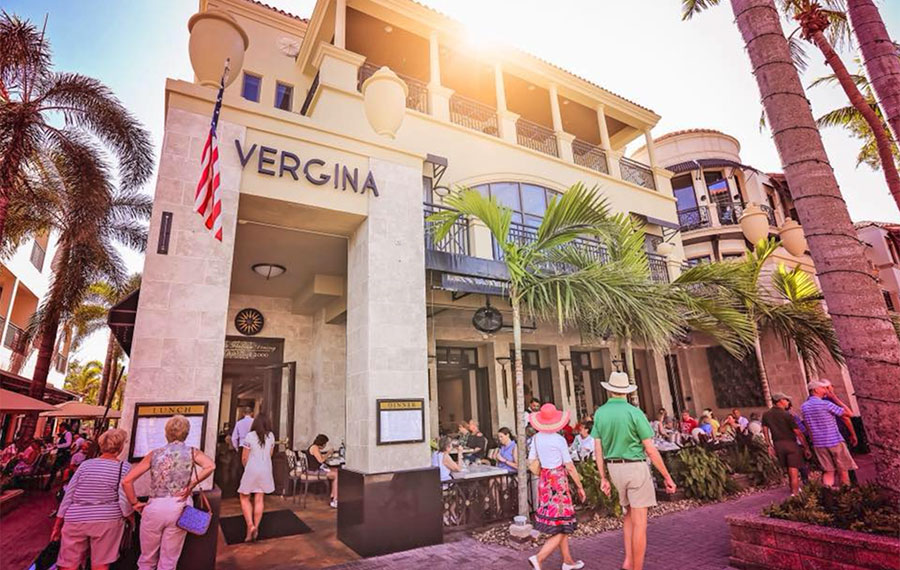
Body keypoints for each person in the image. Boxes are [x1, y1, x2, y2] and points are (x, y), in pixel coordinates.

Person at [592, 372, 677, 570]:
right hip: (635, 467)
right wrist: (666, 476)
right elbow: (650, 448)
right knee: (640, 523)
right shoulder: (635, 412)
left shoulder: (600, 413)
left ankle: (628, 561)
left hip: (614, 469)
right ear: (627, 392)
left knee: (628, 515)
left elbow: (598, 448)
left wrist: (603, 477)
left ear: (610, 390)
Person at [123, 415, 215, 570]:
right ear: (187, 433)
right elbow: (210, 466)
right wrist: (190, 485)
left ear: (166, 433)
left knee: (146, 558)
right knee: (169, 560)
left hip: (154, 506)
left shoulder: (154, 454)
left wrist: (135, 503)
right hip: (179, 507)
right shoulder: (192, 452)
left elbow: (126, 481)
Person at [51, 429, 132, 570]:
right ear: (120, 447)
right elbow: (124, 500)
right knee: (100, 563)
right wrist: (131, 517)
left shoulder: (85, 465)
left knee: (68, 563)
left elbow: (68, 495)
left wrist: (58, 524)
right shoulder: (124, 467)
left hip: (75, 518)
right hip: (107, 520)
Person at [527, 403, 586, 570]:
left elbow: (531, 460)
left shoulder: (536, 438)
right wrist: (580, 486)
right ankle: (539, 558)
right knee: (562, 525)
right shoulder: (559, 440)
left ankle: (568, 561)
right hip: (558, 480)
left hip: (544, 479)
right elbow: (569, 465)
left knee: (560, 523)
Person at [801, 379, 858, 487]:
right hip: (834, 440)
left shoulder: (804, 406)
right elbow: (849, 414)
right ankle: (845, 493)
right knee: (843, 469)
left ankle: (828, 493)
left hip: (819, 443)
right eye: (823, 388)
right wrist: (834, 398)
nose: (825, 390)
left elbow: (807, 425)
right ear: (815, 390)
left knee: (829, 470)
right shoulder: (826, 404)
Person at [762, 393, 810, 496]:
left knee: (788, 468)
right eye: (786, 400)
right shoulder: (787, 415)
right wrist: (806, 447)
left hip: (778, 444)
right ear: (780, 401)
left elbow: (765, 431)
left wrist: (769, 445)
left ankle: (793, 488)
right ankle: (795, 493)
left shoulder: (766, 415)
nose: (788, 402)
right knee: (794, 470)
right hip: (790, 443)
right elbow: (798, 433)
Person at [238, 414, 275, 542]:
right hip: (265, 470)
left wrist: (246, 468)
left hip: (252, 469)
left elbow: (244, 457)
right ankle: (256, 528)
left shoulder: (250, 436)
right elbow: (270, 454)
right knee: (259, 498)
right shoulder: (271, 436)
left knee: (244, 496)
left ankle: (250, 525)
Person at [306, 434, 339, 508]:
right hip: (314, 471)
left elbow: (320, 458)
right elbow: (321, 460)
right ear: (322, 443)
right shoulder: (314, 448)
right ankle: (335, 499)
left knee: (336, 470)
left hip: (315, 469)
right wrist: (329, 453)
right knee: (336, 475)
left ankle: (333, 494)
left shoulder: (314, 447)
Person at [45, 422, 74, 490]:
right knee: (56, 469)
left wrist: (58, 446)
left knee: (56, 469)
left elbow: (68, 443)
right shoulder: (63, 435)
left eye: (60, 427)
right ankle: (50, 484)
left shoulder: (68, 434)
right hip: (61, 454)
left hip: (63, 454)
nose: (60, 429)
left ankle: (50, 485)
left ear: (64, 427)